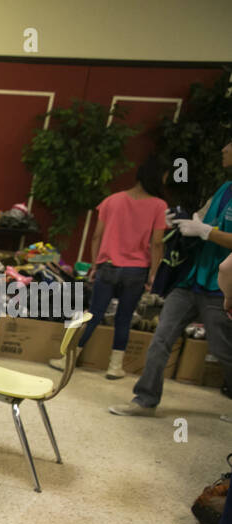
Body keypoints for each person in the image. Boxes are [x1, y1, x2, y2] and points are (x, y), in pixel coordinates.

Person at [110, 140, 232, 416]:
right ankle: (145, 400)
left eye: (230, 146)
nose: (223, 149)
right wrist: (184, 221)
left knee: (224, 351)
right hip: (190, 281)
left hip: (220, 288)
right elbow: (202, 220)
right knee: (161, 339)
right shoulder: (224, 189)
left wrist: (205, 232)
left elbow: (208, 231)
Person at [51, 155, 167, 379]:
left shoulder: (112, 200)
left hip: (108, 265)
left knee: (93, 315)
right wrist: (154, 272)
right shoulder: (159, 206)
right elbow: (157, 243)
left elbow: (96, 236)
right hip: (136, 270)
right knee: (124, 318)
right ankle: (115, 367)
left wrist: (95, 264)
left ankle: (68, 360)